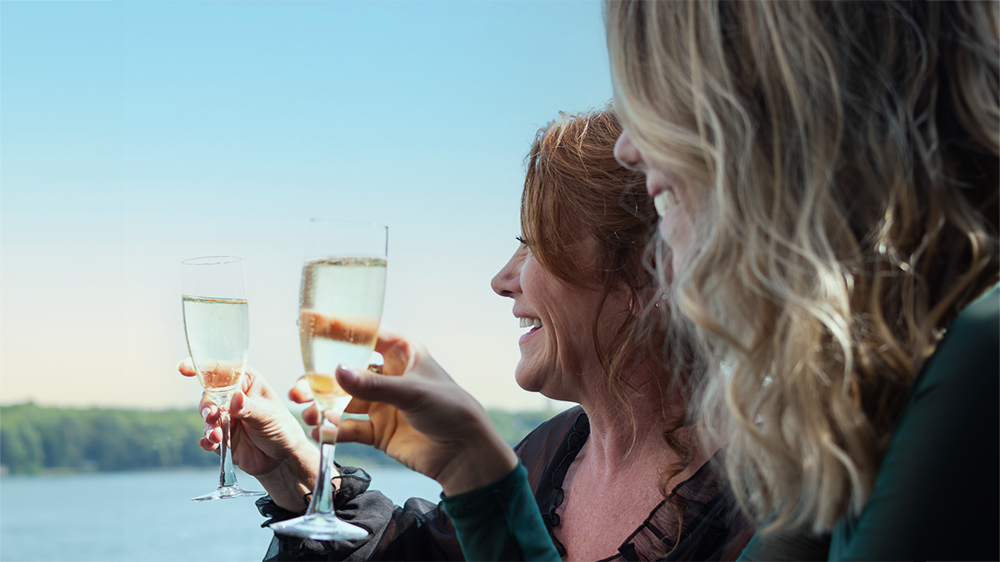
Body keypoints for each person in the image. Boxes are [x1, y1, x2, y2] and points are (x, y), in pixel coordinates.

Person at [321, 1, 999, 561]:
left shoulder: (974, 364)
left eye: (664, 92)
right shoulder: (855, 404)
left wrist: (481, 476)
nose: (629, 145)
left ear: (796, 104)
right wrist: (463, 469)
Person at [183, 110, 752, 560]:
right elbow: (422, 557)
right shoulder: (548, 455)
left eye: (533, 243)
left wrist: (478, 470)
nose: (502, 280)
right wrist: (296, 475)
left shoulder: (774, 508)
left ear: (648, 270)